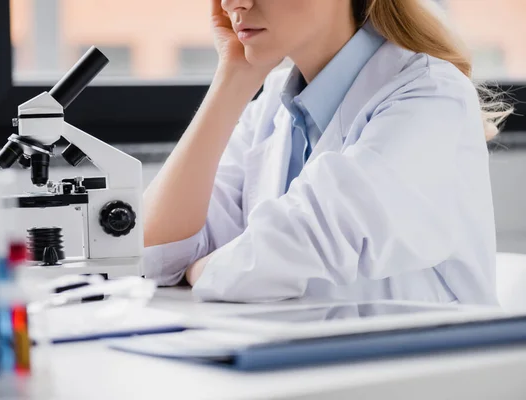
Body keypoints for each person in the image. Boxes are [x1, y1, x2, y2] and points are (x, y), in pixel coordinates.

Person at [142, 0, 512, 304]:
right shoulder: (273, 104)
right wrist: (233, 78)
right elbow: (156, 250)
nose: (234, 4)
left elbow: (309, 238)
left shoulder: (430, 94)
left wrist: (204, 270)